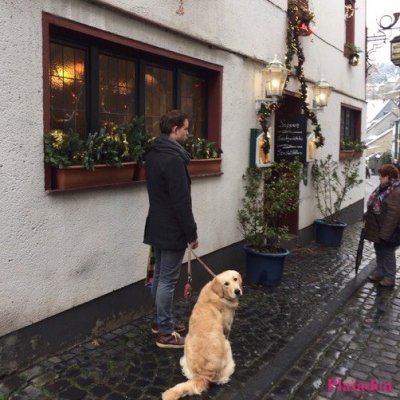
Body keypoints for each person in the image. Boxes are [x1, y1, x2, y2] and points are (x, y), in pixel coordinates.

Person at [144, 110, 199, 349]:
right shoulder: (174, 159)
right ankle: (165, 333)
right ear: (174, 129)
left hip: (157, 223)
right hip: (172, 228)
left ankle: (159, 322)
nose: (188, 132)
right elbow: (181, 202)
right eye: (185, 128)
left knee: (159, 277)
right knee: (167, 279)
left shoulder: (155, 154)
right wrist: (192, 233)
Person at [365, 164, 400, 287]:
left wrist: (385, 233)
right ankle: (380, 272)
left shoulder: (396, 192)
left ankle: (389, 277)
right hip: (378, 227)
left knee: (388, 252)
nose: (380, 178)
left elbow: (393, 215)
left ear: (389, 177)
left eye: (382, 176)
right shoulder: (383, 188)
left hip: (389, 229)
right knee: (379, 250)